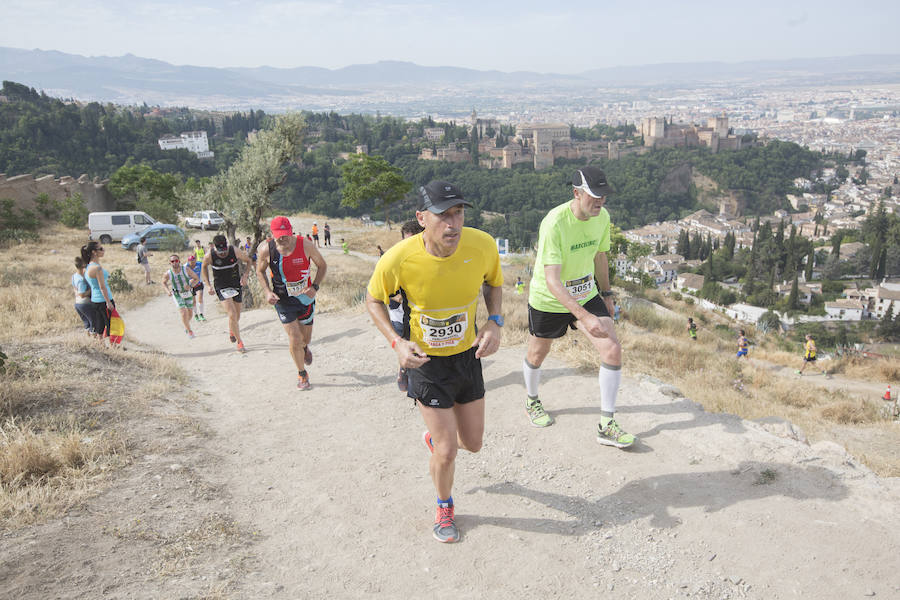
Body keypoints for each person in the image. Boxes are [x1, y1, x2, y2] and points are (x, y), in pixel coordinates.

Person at [366, 180, 503, 544]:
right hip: (426, 364)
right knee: (447, 451)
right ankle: (444, 505)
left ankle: (434, 437)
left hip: (466, 357)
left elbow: (494, 283)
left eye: (458, 213)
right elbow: (372, 300)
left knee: (472, 443)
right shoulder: (399, 258)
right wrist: (396, 342)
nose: (453, 224)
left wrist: (495, 320)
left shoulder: (482, 245)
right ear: (421, 217)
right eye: (443, 215)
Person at [521, 167, 634, 449]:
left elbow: (600, 256)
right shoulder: (555, 223)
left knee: (612, 349)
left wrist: (606, 293)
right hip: (550, 298)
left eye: (603, 197)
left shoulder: (602, 217)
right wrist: (583, 317)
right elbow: (552, 280)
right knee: (538, 353)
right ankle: (532, 400)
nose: (600, 202)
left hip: (585, 292)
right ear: (577, 193)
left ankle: (606, 424)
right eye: (594, 196)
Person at [256, 216, 328, 390]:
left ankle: (305, 348)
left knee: (305, 339)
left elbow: (322, 265)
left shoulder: (305, 245)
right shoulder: (267, 249)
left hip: (305, 298)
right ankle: (302, 374)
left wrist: (315, 287)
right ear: (272, 234)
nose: (283, 238)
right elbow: (260, 271)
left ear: (291, 231)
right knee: (294, 338)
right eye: (279, 235)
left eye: (286, 234)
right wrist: (267, 291)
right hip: (282, 300)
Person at [388, 219, 425, 392]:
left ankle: (413, 376)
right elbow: (386, 293)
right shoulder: (395, 261)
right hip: (398, 316)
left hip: (419, 318)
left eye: (413, 240)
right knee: (405, 347)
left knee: (418, 348)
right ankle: (403, 370)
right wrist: (401, 298)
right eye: (406, 240)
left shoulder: (429, 260)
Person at [202, 234, 252, 352]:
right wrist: (208, 285)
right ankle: (240, 342)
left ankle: (232, 330)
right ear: (214, 247)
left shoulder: (234, 250)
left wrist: (245, 275)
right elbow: (204, 267)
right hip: (221, 286)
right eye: (220, 251)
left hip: (235, 283)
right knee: (232, 314)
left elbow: (249, 261)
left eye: (224, 250)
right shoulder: (209, 255)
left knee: (237, 315)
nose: (223, 253)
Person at [81, 241, 115, 340]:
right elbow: (102, 287)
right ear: (94, 252)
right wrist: (108, 302)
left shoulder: (88, 266)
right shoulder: (97, 268)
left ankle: (101, 343)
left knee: (99, 322)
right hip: (104, 299)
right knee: (111, 323)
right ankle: (113, 344)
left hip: (95, 299)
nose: (103, 250)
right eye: (101, 249)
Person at [162, 254, 200, 338]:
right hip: (177, 294)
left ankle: (186, 326)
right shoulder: (168, 273)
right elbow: (164, 282)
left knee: (190, 314)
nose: (175, 263)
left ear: (179, 261)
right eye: (172, 261)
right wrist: (168, 291)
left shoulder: (186, 269)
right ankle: (190, 331)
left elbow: (196, 278)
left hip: (188, 292)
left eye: (176, 260)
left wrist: (190, 286)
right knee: (183, 312)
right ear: (170, 263)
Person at [72, 256, 96, 335]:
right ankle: (95, 342)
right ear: (83, 265)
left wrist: (77, 293)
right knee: (93, 324)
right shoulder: (81, 280)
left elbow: (75, 288)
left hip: (77, 303)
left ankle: (88, 340)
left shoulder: (74, 276)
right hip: (85, 303)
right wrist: (92, 289)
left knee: (87, 324)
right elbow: (82, 294)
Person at [185, 254, 206, 321]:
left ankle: (201, 314)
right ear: (188, 261)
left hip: (199, 283)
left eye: (194, 261)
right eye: (191, 261)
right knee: (193, 301)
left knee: (200, 298)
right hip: (191, 285)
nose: (193, 262)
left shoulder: (199, 264)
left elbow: (205, 265)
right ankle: (196, 315)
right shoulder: (185, 267)